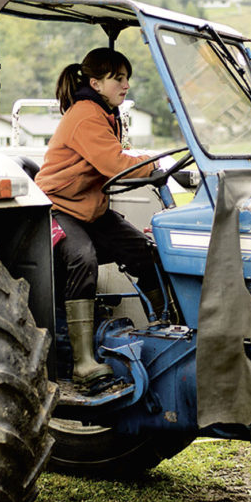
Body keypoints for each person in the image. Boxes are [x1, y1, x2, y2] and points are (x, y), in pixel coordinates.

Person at [34, 47, 162, 388]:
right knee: (82, 257)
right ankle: (83, 362)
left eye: (126, 78)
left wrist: (146, 160)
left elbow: (116, 157)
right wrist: (155, 162)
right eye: (117, 78)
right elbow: (115, 164)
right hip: (58, 207)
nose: (126, 85)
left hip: (89, 208)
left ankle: (167, 329)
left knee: (143, 251)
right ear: (96, 82)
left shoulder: (106, 112)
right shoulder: (85, 115)